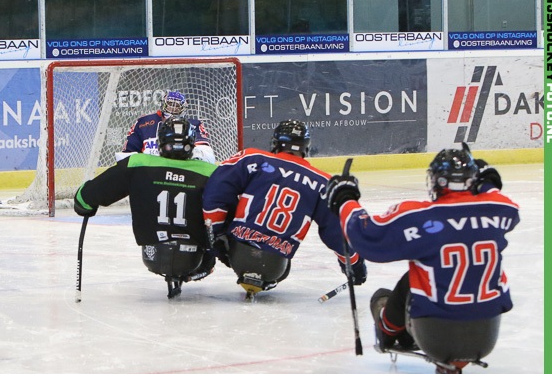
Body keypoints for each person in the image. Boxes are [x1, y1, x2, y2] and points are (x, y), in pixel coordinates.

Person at [325, 144, 519, 374]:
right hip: (486, 335)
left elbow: (368, 238)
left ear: (437, 182)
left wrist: (345, 199)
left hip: (435, 335)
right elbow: (493, 192)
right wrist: (486, 179)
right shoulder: (503, 209)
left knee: (413, 279)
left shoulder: (420, 218)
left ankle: (387, 330)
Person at [202, 120, 366, 299]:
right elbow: (336, 231)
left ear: (276, 142)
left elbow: (216, 190)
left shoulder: (252, 158)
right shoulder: (322, 182)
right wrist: (353, 265)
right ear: (306, 146)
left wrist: (216, 234)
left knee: (226, 198)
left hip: (238, 255)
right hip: (275, 266)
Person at [75, 117, 218, 298]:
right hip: (194, 259)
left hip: (152, 254)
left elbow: (84, 199)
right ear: (191, 144)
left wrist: (85, 204)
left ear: (160, 143)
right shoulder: (209, 172)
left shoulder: (138, 163)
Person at [118, 90, 216, 164]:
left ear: (183, 108)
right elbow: (127, 154)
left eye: (177, 106)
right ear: (163, 104)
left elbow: (206, 156)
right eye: (170, 104)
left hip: (181, 170)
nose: (173, 108)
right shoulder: (144, 122)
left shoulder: (194, 125)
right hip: (149, 172)